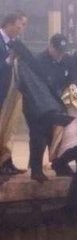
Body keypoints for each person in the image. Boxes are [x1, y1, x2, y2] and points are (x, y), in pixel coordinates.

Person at [22, 34, 75, 183]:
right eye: (58, 51)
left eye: (63, 51)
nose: (61, 54)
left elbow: (71, 81)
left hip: (57, 105)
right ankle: (36, 169)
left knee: (58, 137)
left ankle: (59, 165)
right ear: (50, 46)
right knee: (39, 137)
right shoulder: (38, 62)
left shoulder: (68, 60)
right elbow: (33, 88)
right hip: (37, 106)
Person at [0, 11, 28, 176]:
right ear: (9, 24)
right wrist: (8, 61)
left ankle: (6, 161)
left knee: (8, 129)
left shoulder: (15, 43)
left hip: (10, 92)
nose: (20, 30)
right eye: (18, 26)